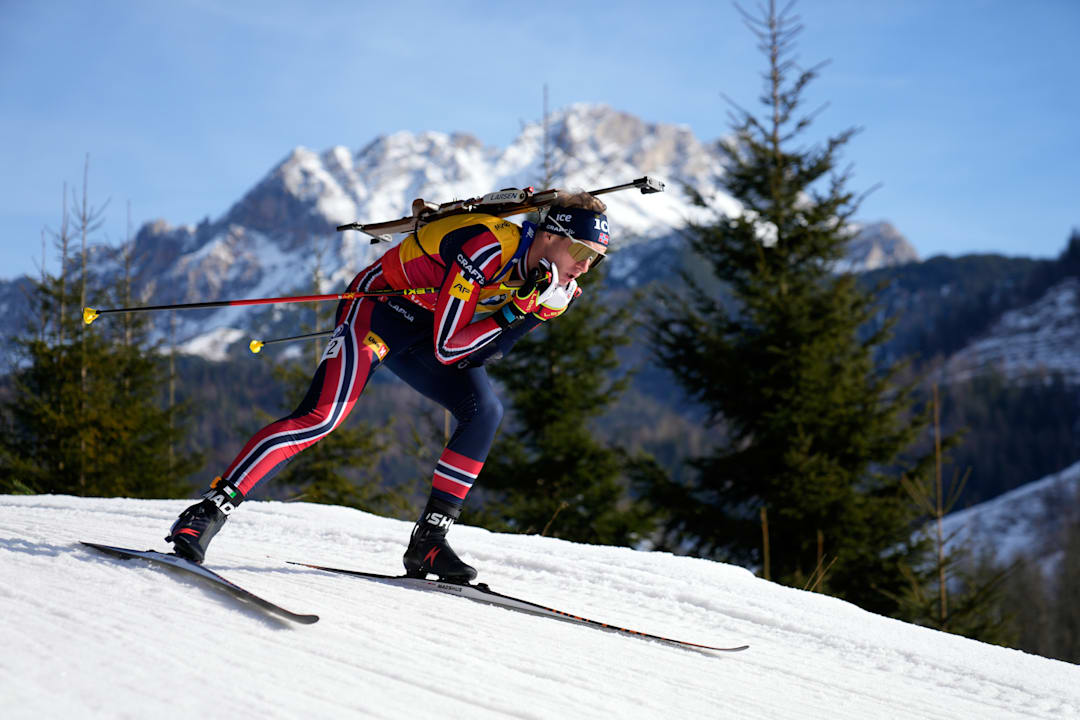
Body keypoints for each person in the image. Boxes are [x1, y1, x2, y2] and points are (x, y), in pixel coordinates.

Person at [165, 190, 611, 581]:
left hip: (433, 332)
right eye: (580, 251)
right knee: (321, 418)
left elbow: (482, 355)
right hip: (380, 311)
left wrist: (528, 308)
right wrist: (517, 309)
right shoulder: (488, 247)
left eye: (595, 259)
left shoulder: (559, 291)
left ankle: (429, 540)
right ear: (550, 236)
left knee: (485, 410)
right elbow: (448, 349)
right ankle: (204, 513)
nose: (584, 267)